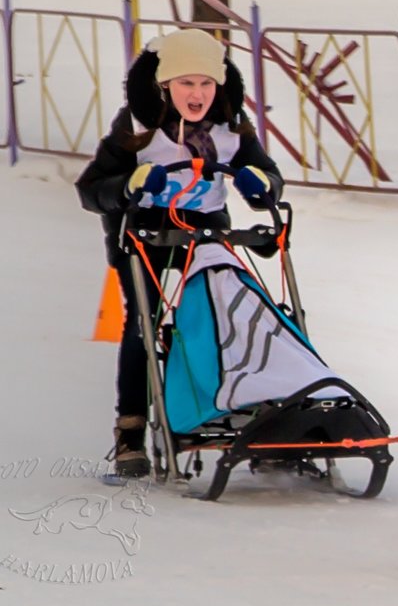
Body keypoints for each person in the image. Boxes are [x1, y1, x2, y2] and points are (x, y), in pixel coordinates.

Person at [76, 28, 284, 478]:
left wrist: (262, 184)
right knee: (143, 323)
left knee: (234, 315)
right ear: (165, 85)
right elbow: (90, 191)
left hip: (208, 235)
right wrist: (129, 186)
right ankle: (130, 433)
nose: (198, 94)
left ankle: (254, 409)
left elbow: (267, 173)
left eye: (207, 83)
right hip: (146, 236)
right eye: (186, 83)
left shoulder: (231, 126)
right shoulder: (136, 127)